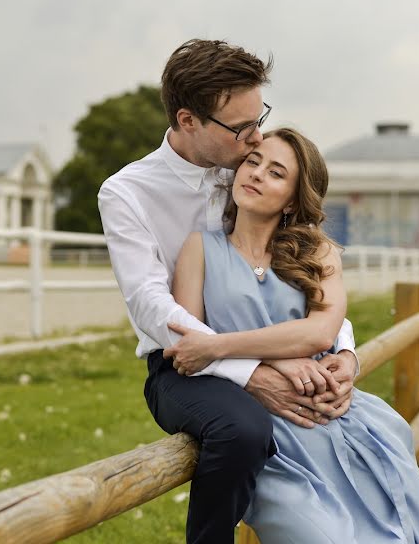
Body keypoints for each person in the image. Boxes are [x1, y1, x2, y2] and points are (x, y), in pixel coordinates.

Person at [98, 39, 359, 544]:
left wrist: (342, 349)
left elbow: (299, 271)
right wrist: (255, 368)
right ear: (188, 120)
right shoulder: (127, 193)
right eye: (241, 127)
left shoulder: (248, 171)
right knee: (242, 430)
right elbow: (152, 306)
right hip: (182, 363)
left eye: (258, 116)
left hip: (271, 345)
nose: (255, 135)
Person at [165, 127, 419, 543]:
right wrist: (274, 357)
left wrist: (220, 344)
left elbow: (320, 332)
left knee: (406, 525)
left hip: (334, 416)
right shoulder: (198, 249)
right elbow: (189, 346)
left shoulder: (319, 252)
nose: (257, 174)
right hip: (270, 437)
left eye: (276, 173)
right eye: (253, 161)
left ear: (294, 199)